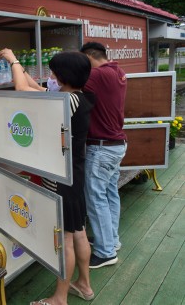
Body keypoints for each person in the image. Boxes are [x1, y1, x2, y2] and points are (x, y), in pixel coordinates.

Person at [0, 48, 95, 305]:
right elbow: (38, 89)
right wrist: (25, 72)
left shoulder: (65, 101)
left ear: (63, 76)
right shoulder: (79, 98)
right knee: (79, 232)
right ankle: (84, 285)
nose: (50, 76)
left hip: (61, 180)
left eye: (53, 73)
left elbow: (21, 90)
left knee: (64, 240)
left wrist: (13, 60)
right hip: (75, 176)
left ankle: (59, 298)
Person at [79, 42, 127, 269]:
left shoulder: (97, 75)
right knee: (109, 195)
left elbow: (68, 88)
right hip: (116, 145)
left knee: (96, 199)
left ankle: (105, 252)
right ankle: (111, 241)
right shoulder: (117, 71)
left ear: (88, 57)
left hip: (101, 148)